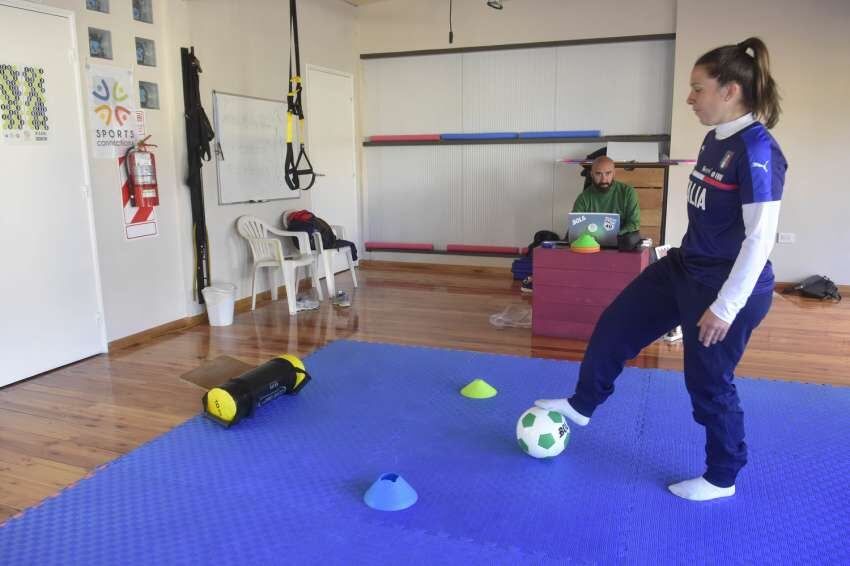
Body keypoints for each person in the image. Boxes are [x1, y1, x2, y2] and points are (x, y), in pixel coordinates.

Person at [535, 37, 786, 502]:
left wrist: (725, 308)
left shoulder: (757, 150)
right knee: (616, 324)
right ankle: (582, 404)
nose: (690, 99)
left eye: (697, 89)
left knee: (708, 384)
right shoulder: (716, 139)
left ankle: (723, 476)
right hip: (685, 267)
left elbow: (760, 238)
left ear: (729, 91)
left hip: (725, 287)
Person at [520, 156, 641, 293]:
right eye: (598, 174)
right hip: (590, 239)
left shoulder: (628, 192)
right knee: (568, 238)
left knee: (630, 240)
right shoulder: (584, 197)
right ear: (591, 174)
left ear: (614, 173)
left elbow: (634, 223)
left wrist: (616, 234)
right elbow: (576, 223)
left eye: (608, 173)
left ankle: (624, 283)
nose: (603, 179)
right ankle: (546, 279)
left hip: (621, 238)